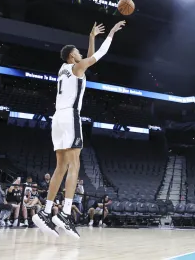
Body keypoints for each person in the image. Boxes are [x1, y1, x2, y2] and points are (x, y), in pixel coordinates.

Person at [32, 20, 126, 238]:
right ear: (72, 56)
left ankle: (46, 213)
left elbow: (86, 59)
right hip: (71, 116)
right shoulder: (77, 66)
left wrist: (91, 37)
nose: (81, 53)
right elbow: (99, 55)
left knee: (60, 167)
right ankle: (64, 213)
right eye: (78, 52)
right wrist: (111, 33)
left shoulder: (63, 69)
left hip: (57, 118)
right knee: (75, 165)